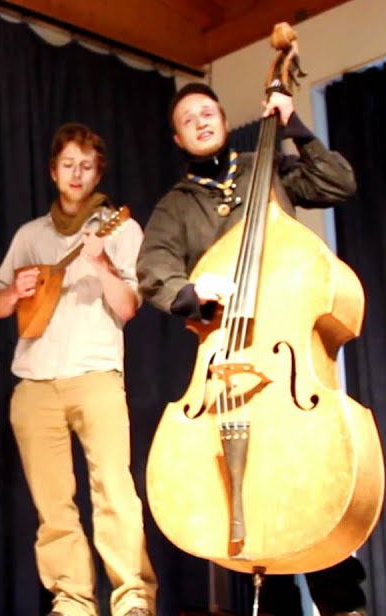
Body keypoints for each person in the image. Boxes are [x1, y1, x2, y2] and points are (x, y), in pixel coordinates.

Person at [137, 83, 367, 616]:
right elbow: (154, 270)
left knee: (311, 483)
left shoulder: (268, 166)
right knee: (247, 501)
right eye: (188, 117)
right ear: (177, 136)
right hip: (228, 369)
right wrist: (191, 294)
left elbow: (340, 183)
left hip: (289, 365)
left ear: (222, 119)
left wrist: (294, 129)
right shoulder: (175, 205)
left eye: (208, 112)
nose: (200, 121)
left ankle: (343, 605)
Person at [0, 124, 156, 616]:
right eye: (68, 164)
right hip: (34, 383)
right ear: (53, 171)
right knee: (53, 504)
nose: (76, 173)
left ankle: (132, 599)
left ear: (98, 171)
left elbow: (128, 307)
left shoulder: (122, 229)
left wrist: (102, 265)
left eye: (86, 165)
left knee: (114, 493)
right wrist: (15, 291)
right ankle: (72, 600)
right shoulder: (29, 236)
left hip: (96, 375)